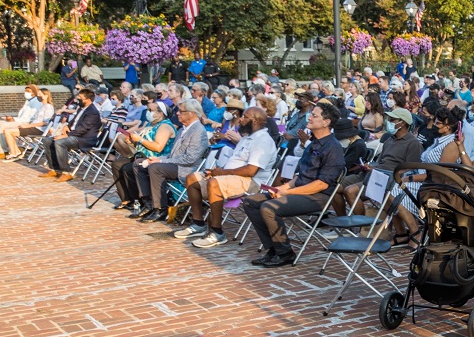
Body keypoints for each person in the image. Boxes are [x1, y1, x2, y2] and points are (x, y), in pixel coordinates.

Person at [242, 103, 345, 268]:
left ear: (326, 122)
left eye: (315, 115)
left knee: (269, 207)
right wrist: (284, 188)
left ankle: (285, 253)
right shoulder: (313, 143)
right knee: (251, 202)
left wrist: (287, 193)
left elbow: (321, 184)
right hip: (302, 190)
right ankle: (274, 249)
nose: (309, 118)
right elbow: (302, 175)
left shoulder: (333, 148)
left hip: (318, 197)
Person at [174, 107, 278, 248]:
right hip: (232, 176)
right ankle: (198, 223)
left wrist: (222, 173)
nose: (240, 119)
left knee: (215, 183)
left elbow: (251, 171)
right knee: (193, 178)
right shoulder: (247, 137)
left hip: (251, 183)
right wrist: (219, 171)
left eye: (244, 117)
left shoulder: (263, 141)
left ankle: (217, 233)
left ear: (255, 121)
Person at [391, 107, 465, 247]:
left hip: (435, 186)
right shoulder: (440, 140)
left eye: (438, 123)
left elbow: (438, 174)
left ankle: (414, 232)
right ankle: (403, 232)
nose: (435, 126)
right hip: (424, 180)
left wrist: (410, 179)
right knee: (390, 190)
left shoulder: (451, 145)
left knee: (392, 193)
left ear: (447, 127)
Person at [133, 99, 211, 222]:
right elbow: (172, 154)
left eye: (181, 111)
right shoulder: (182, 129)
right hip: (176, 164)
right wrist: (158, 158)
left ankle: (160, 208)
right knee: (140, 164)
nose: (177, 113)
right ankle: (148, 203)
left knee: (156, 168)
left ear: (192, 113)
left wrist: (161, 162)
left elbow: (190, 159)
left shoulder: (198, 131)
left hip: (187, 169)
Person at [338, 107, 423, 217]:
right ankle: (342, 220)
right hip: (372, 173)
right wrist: (370, 166)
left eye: (393, 120)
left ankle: (362, 224)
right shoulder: (389, 140)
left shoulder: (413, 143)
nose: (389, 122)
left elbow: (412, 168)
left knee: (350, 191)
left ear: (403, 123)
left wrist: (393, 174)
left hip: (387, 179)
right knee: (335, 187)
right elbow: (382, 162)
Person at [111, 101, 177, 213]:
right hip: (142, 155)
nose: (148, 113)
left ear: (160, 113)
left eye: (151, 111)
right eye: (148, 110)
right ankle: (128, 199)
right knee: (117, 164)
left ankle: (144, 201)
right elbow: (141, 145)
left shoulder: (165, 126)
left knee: (129, 168)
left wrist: (140, 139)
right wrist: (131, 142)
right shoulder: (150, 125)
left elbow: (158, 147)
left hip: (157, 157)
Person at [39, 89, 101, 183]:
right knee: (47, 140)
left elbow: (83, 129)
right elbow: (75, 121)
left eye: (80, 98)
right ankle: (55, 169)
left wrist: (66, 135)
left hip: (84, 139)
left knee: (60, 142)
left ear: (88, 100)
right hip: (74, 135)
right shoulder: (81, 108)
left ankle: (66, 172)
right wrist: (67, 126)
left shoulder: (92, 112)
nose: (78, 99)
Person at [0, 85, 44, 160]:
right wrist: (12, 119)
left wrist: (14, 120)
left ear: (34, 92)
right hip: (20, 120)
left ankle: (3, 151)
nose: (26, 93)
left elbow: (30, 118)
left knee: (4, 126)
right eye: (25, 91)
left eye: (28, 91)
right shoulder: (28, 101)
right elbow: (21, 116)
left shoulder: (37, 102)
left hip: (26, 123)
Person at [1, 89, 56, 162]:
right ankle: (16, 152)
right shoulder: (43, 106)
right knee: (9, 130)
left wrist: (27, 126)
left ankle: (14, 153)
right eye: (38, 94)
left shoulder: (48, 107)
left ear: (46, 96)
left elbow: (45, 122)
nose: (38, 96)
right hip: (34, 127)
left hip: (38, 130)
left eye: (40, 94)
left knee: (8, 131)